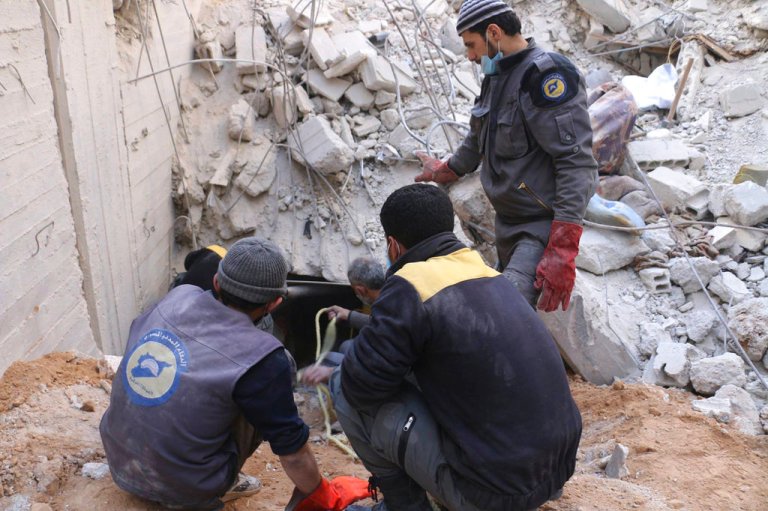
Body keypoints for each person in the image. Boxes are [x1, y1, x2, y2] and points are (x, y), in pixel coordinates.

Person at [332, 184, 583, 511]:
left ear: (393, 245)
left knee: (343, 386)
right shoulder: (488, 274)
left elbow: (362, 385)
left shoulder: (409, 284)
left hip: (493, 495)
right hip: (552, 473)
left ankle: (404, 505)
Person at [99, 237, 371, 511]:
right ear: (275, 302)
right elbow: (293, 453)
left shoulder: (177, 296)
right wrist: (324, 495)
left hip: (120, 460)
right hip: (184, 489)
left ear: (216, 282)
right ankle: (216, 485)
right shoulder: (265, 359)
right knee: (260, 394)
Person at [414, 0, 598, 311]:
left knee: (504, 312)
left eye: (472, 45)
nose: (470, 55)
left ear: (495, 32)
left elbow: (576, 162)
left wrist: (562, 249)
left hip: (540, 227)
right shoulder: (497, 74)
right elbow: (479, 134)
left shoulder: (546, 76)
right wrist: (449, 169)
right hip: (507, 225)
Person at [301, 257, 385, 385]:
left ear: (360, 290)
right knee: (346, 345)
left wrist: (331, 372)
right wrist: (349, 315)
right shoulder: (391, 297)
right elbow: (378, 324)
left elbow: (375, 369)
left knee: (327, 358)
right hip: (382, 360)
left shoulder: (384, 311)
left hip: (379, 379)